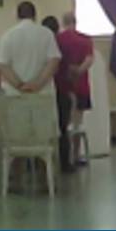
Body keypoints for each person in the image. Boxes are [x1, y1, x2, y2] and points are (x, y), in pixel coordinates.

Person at [0, 1, 61, 96]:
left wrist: (20, 85)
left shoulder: (8, 35)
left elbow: (3, 64)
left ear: (17, 16)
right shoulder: (47, 34)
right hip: (43, 92)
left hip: (15, 93)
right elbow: (54, 61)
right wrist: (38, 84)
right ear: (35, 15)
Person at [57, 11, 95, 166]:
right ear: (75, 22)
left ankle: (64, 155)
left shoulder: (57, 39)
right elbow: (89, 59)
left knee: (63, 123)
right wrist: (79, 71)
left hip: (62, 86)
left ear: (63, 22)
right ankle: (76, 154)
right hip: (81, 86)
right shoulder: (86, 40)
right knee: (77, 123)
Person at [42, 15, 73, 172]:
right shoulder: (62, 45)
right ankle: (64, 164)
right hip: (62, 91)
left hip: (44, 92)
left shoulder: (41, 45)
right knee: (62, 129)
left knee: (41, 130)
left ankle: (42, 165)